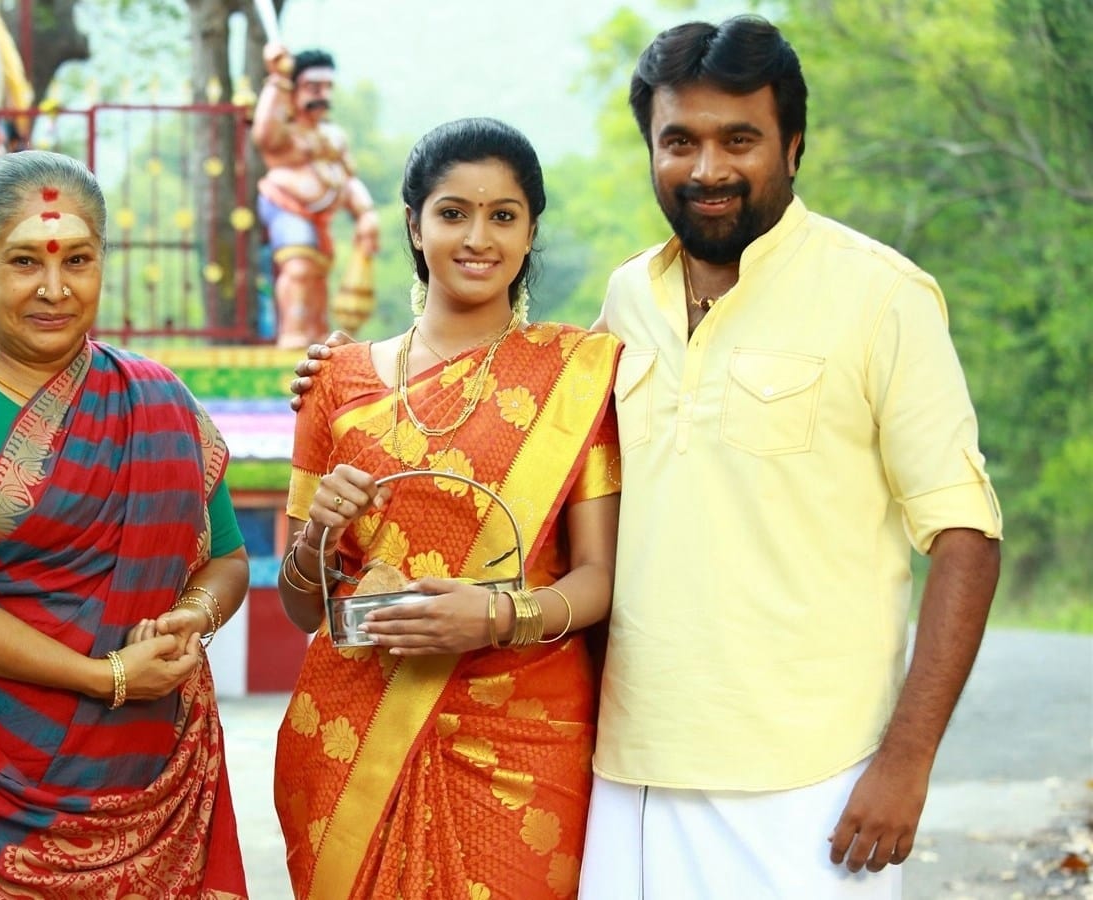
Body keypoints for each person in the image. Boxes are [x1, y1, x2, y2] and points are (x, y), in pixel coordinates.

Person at [577, 16, 1002, 898]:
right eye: (679, 141)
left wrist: (907, 759)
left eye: (740, 139)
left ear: (794, 146)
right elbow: (534, 438)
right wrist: (369, 373)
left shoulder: (881, 295)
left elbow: (965, 535)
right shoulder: (628, 298)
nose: (708, 169)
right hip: (629, 764)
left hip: (813, 781)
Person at [0, 149, 250, 899]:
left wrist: (190, 616)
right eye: (24, 262)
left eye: (77, 260)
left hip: (160, 780)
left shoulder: (157, 395)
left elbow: (228, 561)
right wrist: (108, 677)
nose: (55, 288)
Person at [274, 117, 622, 899]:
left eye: (504, 215)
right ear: (414, 224)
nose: (478, 238)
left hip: (522, 737)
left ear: (530, 232)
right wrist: (321, 533)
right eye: (453, 212)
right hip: (352, 731)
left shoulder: (574, 377)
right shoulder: (338, 382)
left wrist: (497, 617)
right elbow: (302, 610)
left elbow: (600, 576)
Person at [252, 43, 379, 349]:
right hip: (287, 206)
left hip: (321, 218)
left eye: (327, 87)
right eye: (313, 87)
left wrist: (366, 213)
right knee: (299, 268)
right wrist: (278, 79)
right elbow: (264, 133)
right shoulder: (285, 133)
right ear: (294, 89)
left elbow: (348, 180)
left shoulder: (333, 136)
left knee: (318, 275)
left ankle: (315, 331)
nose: (322, 95)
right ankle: (294, 332)